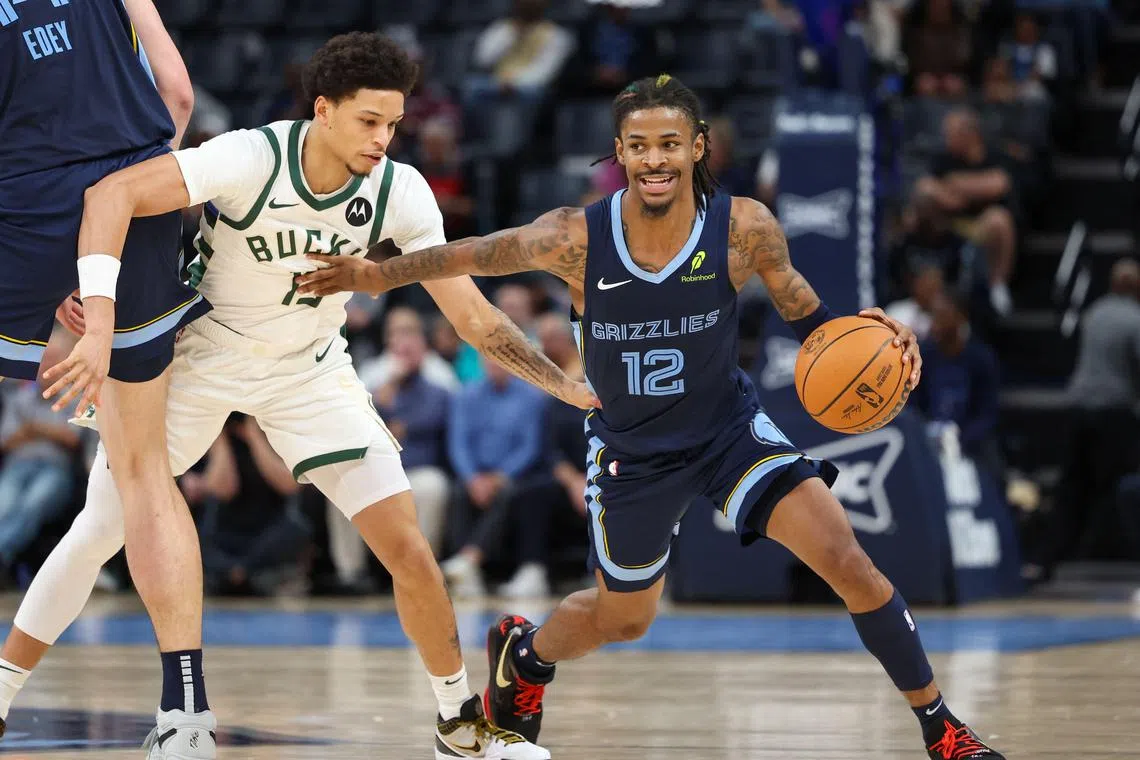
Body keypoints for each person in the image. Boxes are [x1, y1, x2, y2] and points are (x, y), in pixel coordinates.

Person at [297, 74, 1008, 760]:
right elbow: (475, 254)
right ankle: (528, 654)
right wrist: (372, 275)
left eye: (669, 144)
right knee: (623, 619)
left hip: (728, 433)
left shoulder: (743, 229)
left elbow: (805, 313)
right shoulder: (575, 236)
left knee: (849, 562)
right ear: (620, 154)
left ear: (698, 147)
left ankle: (941, 729)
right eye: (638, 147)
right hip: (633, 453)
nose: (654, 160)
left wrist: (867, 336)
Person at [1, 32, 594, 760]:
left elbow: (472, 316)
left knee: (409, 546)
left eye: (394, 125)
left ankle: (458, 724)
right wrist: (97, 303)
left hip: (308, 369)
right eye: (369, 122)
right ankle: (0, 693)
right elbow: (114, 191)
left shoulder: (398, 192)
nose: (384, 139)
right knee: (98, 532)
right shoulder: (252, 156)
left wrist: (566, 387)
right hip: (202, 355)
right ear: (323, 110)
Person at [0, 0, 215, 753]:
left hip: (21, 204)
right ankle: (186, 717)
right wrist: (134, 201)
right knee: (142, 471)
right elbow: (178, 94)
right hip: (137, 195)